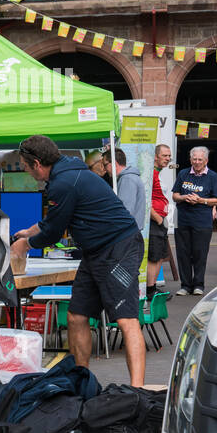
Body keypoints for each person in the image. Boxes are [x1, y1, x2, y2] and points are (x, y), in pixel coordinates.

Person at [10, 135, 146, 388]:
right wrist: (29, 231)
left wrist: (25, 245)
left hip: (119, 247)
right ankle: (81, 382)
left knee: (126, 319)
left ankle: (138, 391)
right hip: (95, 251)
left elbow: (52, 234)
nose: (26, 171)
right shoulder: (66, 174)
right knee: (76, 316)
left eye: (25, 166)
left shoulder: (64, 182)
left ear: (37, 163)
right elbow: (55, 220)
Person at [171, 145, 217, 295]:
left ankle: (199, 285)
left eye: (200, 159)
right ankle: (185, 286)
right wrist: (184, 197)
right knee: (183, 253)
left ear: (206, 160)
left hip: (202, 222)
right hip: (183, 220)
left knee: (200, 253)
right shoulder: (183, 173)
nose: (197, 162)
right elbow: (175, 195)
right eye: (194, 159)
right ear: (190, 159)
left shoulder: (212, 176)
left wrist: (201, 200)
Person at [147, 144, 173, 294]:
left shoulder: (158, 172)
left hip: (161, 219)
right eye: (164, 155)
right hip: (154, 221)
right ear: (156, 156)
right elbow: (145, 199)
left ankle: (153, 288)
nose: (168, 158)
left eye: (169, 156)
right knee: (154, 256)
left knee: (160, 256)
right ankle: (150, 290)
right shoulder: (150, 173)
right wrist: (157, 218)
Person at [103, 148, 146, 231]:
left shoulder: (127, 179)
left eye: (105, 165)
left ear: (114, 163)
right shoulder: (130, 177)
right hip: (131, 231)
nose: (104, 169)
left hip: (128, 232)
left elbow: (125, 211)